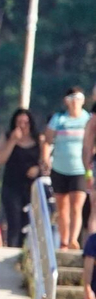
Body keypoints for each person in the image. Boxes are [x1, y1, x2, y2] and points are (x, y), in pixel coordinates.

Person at [42, 87, 89, 249]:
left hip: (80, 169)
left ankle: (73, 239)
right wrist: (45, 157)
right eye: (72, 98)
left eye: (78, 98)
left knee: (77, 206)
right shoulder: (59, 119)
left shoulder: (87, 119)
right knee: (62, 208)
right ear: (66, 101)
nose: (75, 102)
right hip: (60, 168)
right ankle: (63, 240)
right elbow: (48, 140)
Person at [0, 108, 41, 248]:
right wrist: (12, 141)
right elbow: (1, 159)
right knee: (14, 221)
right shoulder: (7, 136)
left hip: (31, 187)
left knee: (28, 222)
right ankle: (12, 248)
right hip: (12, 186)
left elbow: (45, 162)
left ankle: (26, 250)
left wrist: (38, 169)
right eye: (19, 122)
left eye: (26, 123)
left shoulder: (38, 140)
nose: (23, 126)